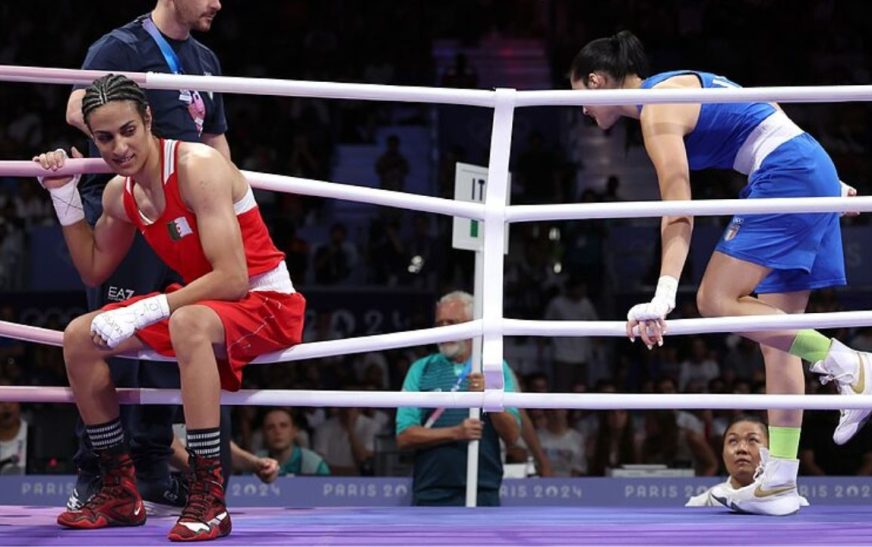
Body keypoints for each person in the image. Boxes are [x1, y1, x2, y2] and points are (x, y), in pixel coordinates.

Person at [570, 30, 868, 516]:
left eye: (579, 94)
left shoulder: (657, 108)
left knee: (714, 300)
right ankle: (779, 482)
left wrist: (664, 294)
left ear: (597, 80)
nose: (579, 108)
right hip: (800, 164)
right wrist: (825, 178)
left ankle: (850, 365)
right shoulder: (672, 90)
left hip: (789, 171)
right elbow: (762, 117)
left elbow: (679, 207)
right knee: (776, 338)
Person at [33, 74, 305, 541]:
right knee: (80, 337)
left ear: (149, 120)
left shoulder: (198, 166)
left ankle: (208, 497)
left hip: (264, 300)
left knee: (187, 321)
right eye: (104, 138)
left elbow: (234, 277)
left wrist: (146, 310)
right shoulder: (121, 193)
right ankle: (118, 489)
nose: (118, 147)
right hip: (199, 303)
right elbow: (94, 269)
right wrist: (65, 196)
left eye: (127, 131)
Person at [64, 0, 232, 514]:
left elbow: (215, 139)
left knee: (171, 344)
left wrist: (228, 203)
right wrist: (128, 134)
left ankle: (155, 470)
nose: (217, 4)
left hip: (184, 211)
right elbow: (79, 107)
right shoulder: (121, 46)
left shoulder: (204, 59)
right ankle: (99, 474)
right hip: (132, 207)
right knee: (109, 337)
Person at [396, 291, 521, 506]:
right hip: (430, 491)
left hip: (483, 489)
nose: (445, 330)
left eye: (452, 323)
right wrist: (455, 433)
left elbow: (512, 435)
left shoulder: (494, 367)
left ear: (473, 326)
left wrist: (489, 396)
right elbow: (404, 436)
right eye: (439, 323)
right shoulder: (421, 369)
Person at [688, 414, 809, 508]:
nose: (741, 449)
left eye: (752, 440)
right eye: (733, 441)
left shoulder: (795, 504)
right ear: (723, 452)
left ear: (769, 451)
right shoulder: (701, 504)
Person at [261, 407, 330, 476]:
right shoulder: (255, 462)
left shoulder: (315, 466)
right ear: (264, 433)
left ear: (294, 431)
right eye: (270, 427)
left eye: (283, 426)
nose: (277, 432)